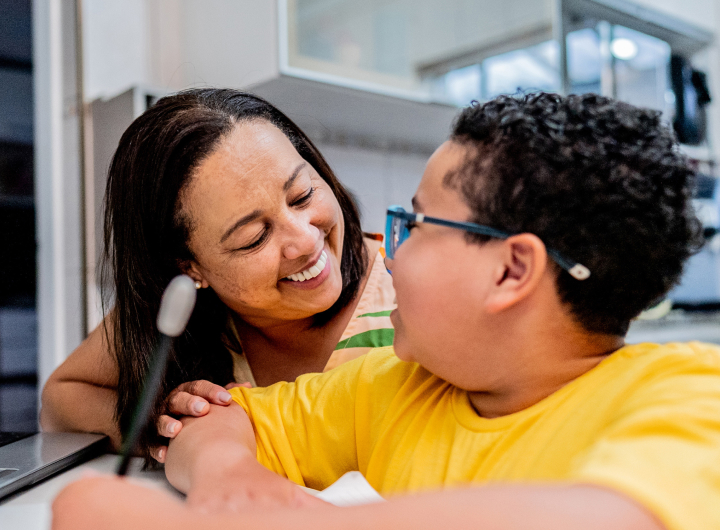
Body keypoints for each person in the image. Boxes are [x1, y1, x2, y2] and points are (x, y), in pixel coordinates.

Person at [52, 93, 720, 530]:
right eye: (251, 237)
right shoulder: (394, 390)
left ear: (511, 270)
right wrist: (228, 475)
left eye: (414, 226)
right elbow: (222, 419)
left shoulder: (690, 394)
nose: (385, 255)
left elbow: (612, 516)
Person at [40, 89, 396, 460]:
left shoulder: (404, 283)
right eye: (254, 238)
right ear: (189, 266)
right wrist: (162, 423)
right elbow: (60, 399)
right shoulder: (180, 312)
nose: (306, 241)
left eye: (302, 195)